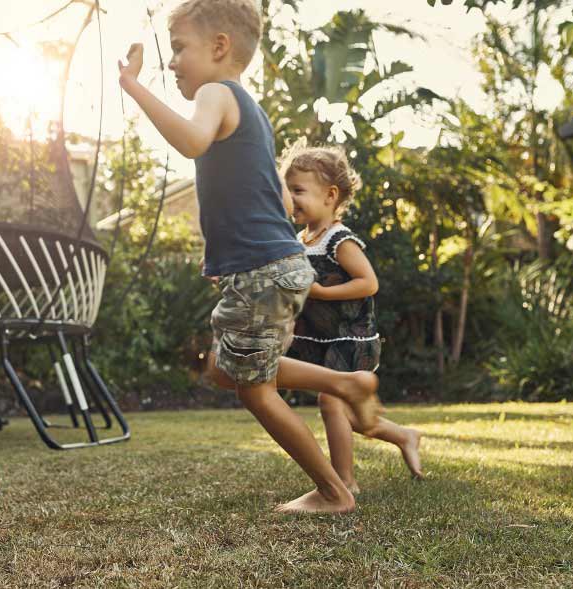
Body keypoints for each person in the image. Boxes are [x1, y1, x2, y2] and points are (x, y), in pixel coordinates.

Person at [119, 0, 381, 514]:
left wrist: (132, 85)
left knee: (254, 390)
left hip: (262, 270)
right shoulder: (250, 110)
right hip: (273, 265)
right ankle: (343, 381)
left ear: (220, 47)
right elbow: (277, 200)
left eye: (179, 48)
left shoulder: (216, 94)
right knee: (224, 368)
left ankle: (333, 493)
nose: (172, 62)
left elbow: (192, 142)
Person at [282, 142, 423, 494]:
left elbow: (368, 283)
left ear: (330, 195)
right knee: (347, 413)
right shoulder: (302, 239)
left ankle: (345, 481)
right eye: (287, 191)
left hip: (348, 337)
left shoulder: (339, 240)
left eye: (298, 190)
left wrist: (324, 293)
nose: (290, 198)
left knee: (331, 401)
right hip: (317, 337)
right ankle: (404, 435)